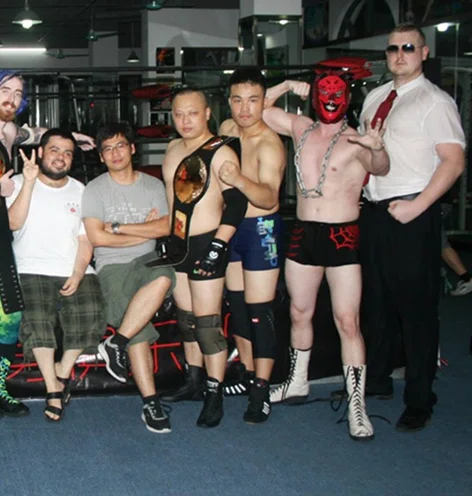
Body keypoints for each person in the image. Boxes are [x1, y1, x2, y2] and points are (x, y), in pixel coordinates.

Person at [0, 70, 94, 418]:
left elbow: (36, 134)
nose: (12, 98)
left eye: (18, 93)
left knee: (11, 313)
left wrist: (73, 137)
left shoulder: (9, 132)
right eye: (5, 90)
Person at [262, 67, 390, 440]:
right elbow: (260, 110)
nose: (330, 99)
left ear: (347, 98)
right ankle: (297, 382)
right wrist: (287, 84)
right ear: (315, 95)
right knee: (298, 312)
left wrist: (376, 147)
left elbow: (381, 168)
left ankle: (356, 404)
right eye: (324, 92)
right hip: (304, 233)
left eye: (337, 94)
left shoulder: (356, 140)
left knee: (347, 321)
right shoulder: (300, 128)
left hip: (342, 235)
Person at [359, 24, 466, 432]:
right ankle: (379, 379)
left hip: (413, 212)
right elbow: (369, 156)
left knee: (417, 311)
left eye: (408, 47)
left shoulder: (435, 101)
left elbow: (454, 162)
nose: (399, 54)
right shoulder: (375, 97)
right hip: (374, 212)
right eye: (392, 48)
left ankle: (420, 399)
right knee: (377, 304)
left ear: (423, 53)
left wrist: (419, 206)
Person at [154, 88, 247, 428]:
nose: (185, 121)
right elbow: (172, 200)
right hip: (178, 244)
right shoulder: (172, 148)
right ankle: (193, 381)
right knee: (187, 321)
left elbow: (237, 203)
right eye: (178, 114)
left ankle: (214, 393)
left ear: (207, 113)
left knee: (208, 326)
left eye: (192, 113)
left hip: (209, 241)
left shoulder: (220, 152)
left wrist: (219, 244)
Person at [6, 128, 104, 422]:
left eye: (67, 153)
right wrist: (29, 182)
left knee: (92, 308)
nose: (60, 157)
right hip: (29, 267)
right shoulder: (17, 182)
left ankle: (61, 372)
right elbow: (12, 223)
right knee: (37, 318)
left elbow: (86, 238)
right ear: (40, 152)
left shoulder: (81, 190)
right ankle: (52, 388)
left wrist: (78, 273)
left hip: (73, 266)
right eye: (54, 150)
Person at [83, 123, 175, 433]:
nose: (115, 154)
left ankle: (116, 343)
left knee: (164, 277)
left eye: (120, 145)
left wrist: (119, 227)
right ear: (101, 156)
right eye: (107, 149)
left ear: (132, 148)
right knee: (137, 326)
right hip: (112, 267)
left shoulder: (153, 186)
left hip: (148, 261)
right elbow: (97, 238)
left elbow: (166, 228)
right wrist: (144, 232)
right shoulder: (95, 189)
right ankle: (151, 403)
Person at [215, 68, 287, 424]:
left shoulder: (269, 144)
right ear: (229, 102)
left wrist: (239, 179)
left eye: (253, 100)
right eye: (238, 100)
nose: (245, 109)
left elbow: (269, 197)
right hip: (232, 229)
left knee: (260, 312)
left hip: (261, 230)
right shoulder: (227, 129)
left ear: (263, 103)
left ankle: (262, 388)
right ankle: (246, 374)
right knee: (238, 308)